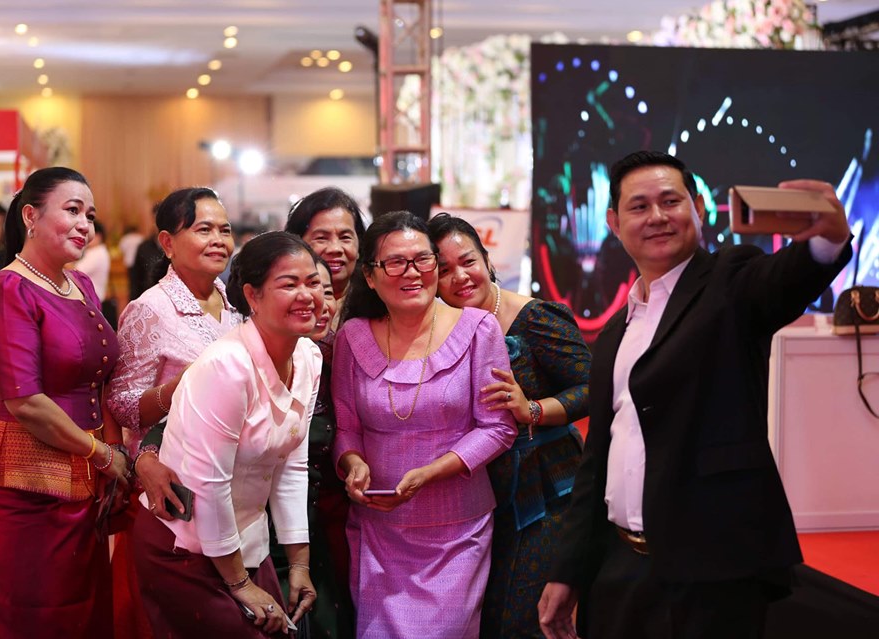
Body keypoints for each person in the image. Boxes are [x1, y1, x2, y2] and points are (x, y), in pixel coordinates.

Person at [537, 151, 852, 639]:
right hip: (619, 568)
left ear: (698, 209)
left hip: (712, 571)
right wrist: (569, 569)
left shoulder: (731, 280)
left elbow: (786, 278)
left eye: (671, 201)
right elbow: (597, 458)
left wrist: (827, 241)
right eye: (639, 206)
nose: (657, 216)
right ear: (614, 223)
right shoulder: (618, 329)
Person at [0, 167, 129, 638]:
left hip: (85, 478)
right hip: (24, 487)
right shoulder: (6, 290)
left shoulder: (81, 285)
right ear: (30, 216)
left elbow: (100, 377)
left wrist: (109, 451)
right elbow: (25, 402)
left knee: (85, 608)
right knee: (32, 613)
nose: (84, 224)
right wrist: (103, 454)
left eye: (90, 215)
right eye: (72, 210)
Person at [333, 211, 517, 638]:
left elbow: (498, 427)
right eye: (396, 262)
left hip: (457, 530)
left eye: (422, 259)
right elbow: (346, 428)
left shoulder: (478, 328)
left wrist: (431, 472)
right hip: (379, 529)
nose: (412, 272)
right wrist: (353, 464)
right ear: (370, 276)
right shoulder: (353, 336)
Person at [132, 231, 323, 637]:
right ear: (252, 296)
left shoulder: (309, 356)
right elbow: (209, 484)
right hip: (184, 544)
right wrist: (240, 584)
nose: (307, 295)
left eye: (313, 282)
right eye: (289, 284)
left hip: (243, 539)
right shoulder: (227, 366)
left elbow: (292, 464)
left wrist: (299, 562)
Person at [428, 213, 591, 639]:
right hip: (478, 498)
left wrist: (532, 409)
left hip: (547, 493)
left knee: (523, 619)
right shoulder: (438, 328)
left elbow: (594, 387)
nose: (460, 277)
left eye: (468, 261)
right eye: (443, 270)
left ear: (487, 259)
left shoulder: (535, 319)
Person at [106, 186, 241, 638]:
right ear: (167, 242)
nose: (218, 240)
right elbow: (123, 405)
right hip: (173, 488)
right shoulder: (150, 310)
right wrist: (178, 388)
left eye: (224, 230)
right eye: (203, 230)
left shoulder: (236, 304)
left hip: (233, 484)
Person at [267, 257, 354, 639]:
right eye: (296, 288)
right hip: (267, 531)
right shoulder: (251, 359)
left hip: (332, 524)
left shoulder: (340, 356)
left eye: (326, 290)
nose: (317, 301)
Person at [285, 186, 367, 319]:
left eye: (345, 237)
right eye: (321, 238)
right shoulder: (281, 306)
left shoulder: (379, 303)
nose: (335, 249)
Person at [73, 220, 111, 301]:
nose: (85, 238)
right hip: (93, 296)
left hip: (92, 298)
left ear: (98, 236)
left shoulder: (97, 253)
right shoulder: (97, 251)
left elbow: (76, 271)